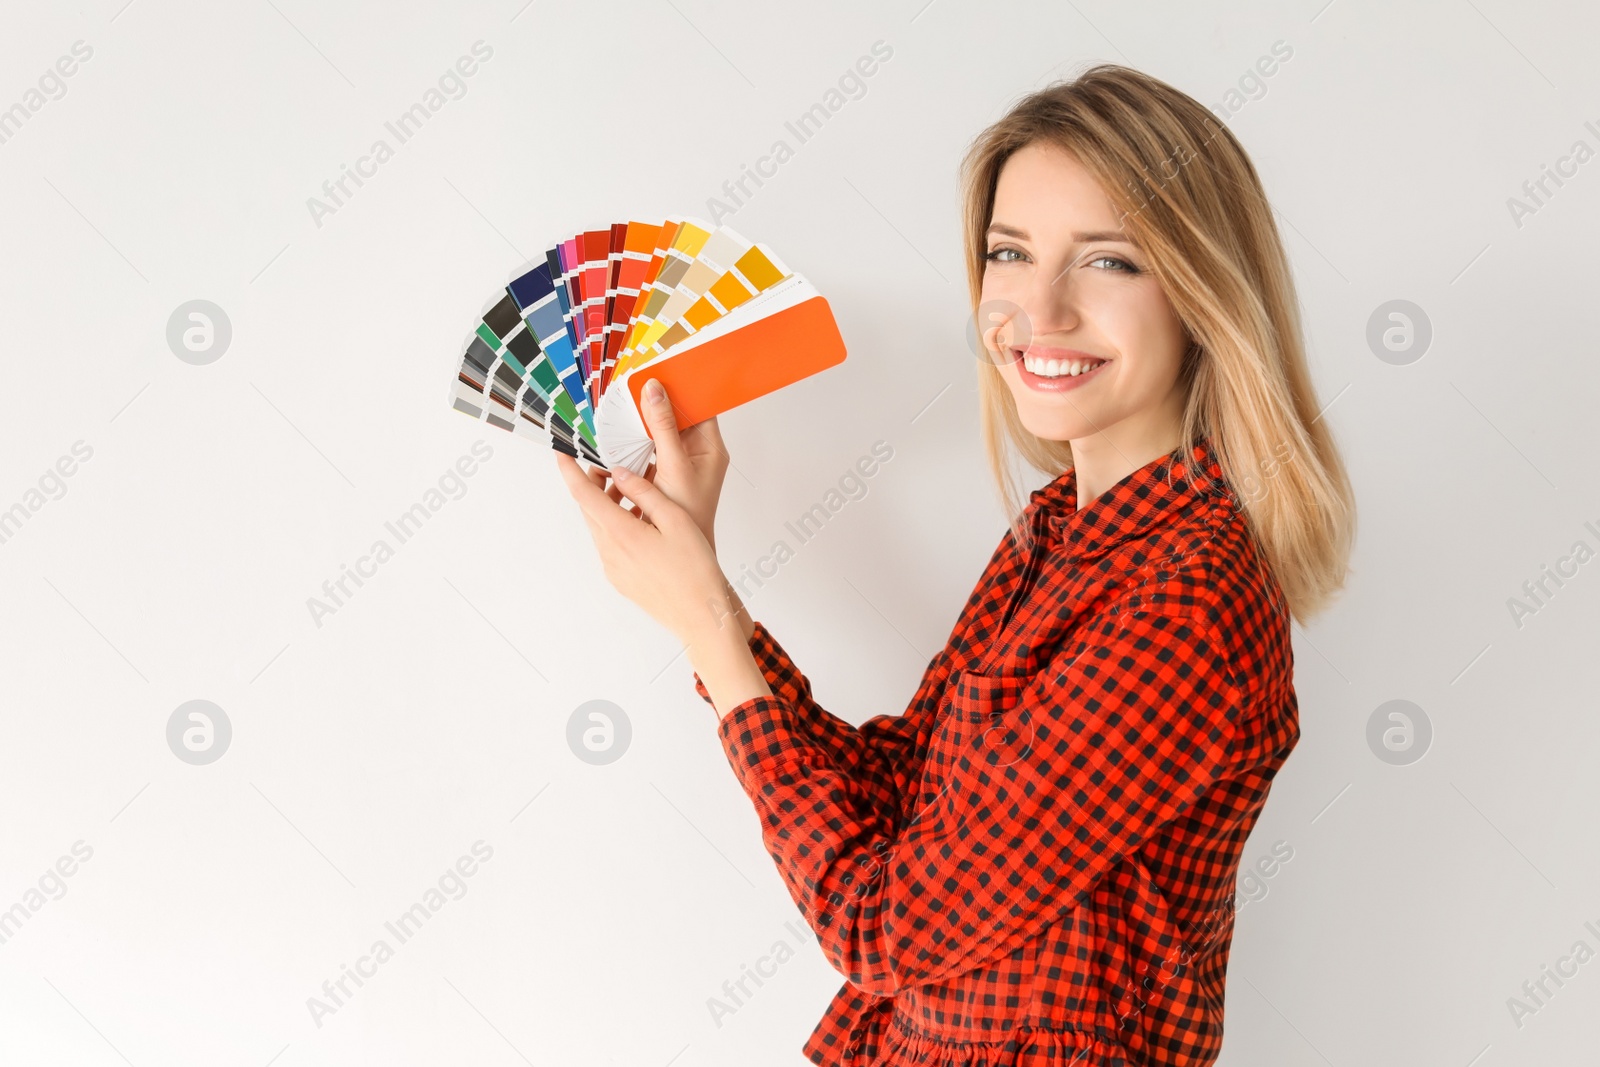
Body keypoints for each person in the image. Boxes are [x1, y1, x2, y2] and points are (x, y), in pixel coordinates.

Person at [555, 62, 1355, 1067]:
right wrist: (709, 600)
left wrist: (709, 624)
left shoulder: (1184, 600)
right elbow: (902, 796)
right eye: (1009, 252)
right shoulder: (1062, 534)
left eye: (1108, 261)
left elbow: (887, 926)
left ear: (1201, 290)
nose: (1038, 308)